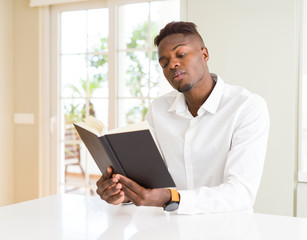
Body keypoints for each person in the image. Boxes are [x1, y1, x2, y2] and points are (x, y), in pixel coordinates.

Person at [96, 21, 270, 215]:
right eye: (164, 62)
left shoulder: (246, 107)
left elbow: (241, 193)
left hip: (227, 228)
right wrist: (125, 193)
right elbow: (151, 181)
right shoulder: (158, 109)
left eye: (181, 54)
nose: (173, 64)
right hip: (169, 228)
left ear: (204, 54)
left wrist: (172, 198)